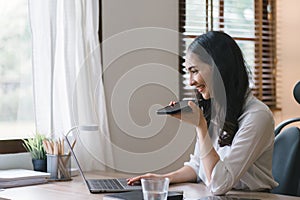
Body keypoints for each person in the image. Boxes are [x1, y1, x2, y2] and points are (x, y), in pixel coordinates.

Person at [127, 31, 278, 195]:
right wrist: (163, 179)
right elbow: (198, 166)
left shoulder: (257, 116)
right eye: (188, 73)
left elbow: (218, 184)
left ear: (219, 68)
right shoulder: (216, 109)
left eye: (194, 71)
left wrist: (201, 126)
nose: (191, 82)